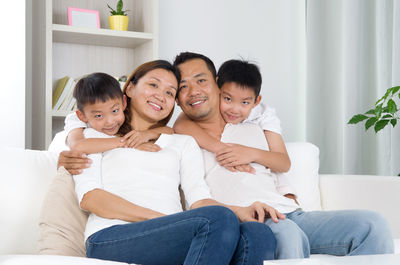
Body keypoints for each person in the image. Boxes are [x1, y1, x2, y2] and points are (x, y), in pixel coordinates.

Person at [171, 52, 394, 259]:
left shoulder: (253, 125)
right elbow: (196, 198)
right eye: (183, 86)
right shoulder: (182, 141)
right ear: (177, 99)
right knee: (288, 234)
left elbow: (277, 166)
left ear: (217, 84)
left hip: (290, 214)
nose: (194, 91)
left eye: (201, 80)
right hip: (248, 221)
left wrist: (287, 194)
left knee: (372, 225)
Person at [58, 60, 278, 265]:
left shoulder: (182, 143)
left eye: (170, 92)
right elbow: (91, 199)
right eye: (153, 85)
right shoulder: (95, 138)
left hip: (174, 233)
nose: (160, 96)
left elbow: (199, 200)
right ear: (130, 90)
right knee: (217, 220)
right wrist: (167, 221)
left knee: (258, 234)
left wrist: (241, 211)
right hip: (111, 236)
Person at [174, 59, 297, 202]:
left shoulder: (263, 115)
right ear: (218, 90)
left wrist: (250, 153)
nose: (234, 109)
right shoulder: (195, 120)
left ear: (256, 102)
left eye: (244, 102)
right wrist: (224, 150)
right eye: (227, 99)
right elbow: (181, 124)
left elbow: (283, 162)